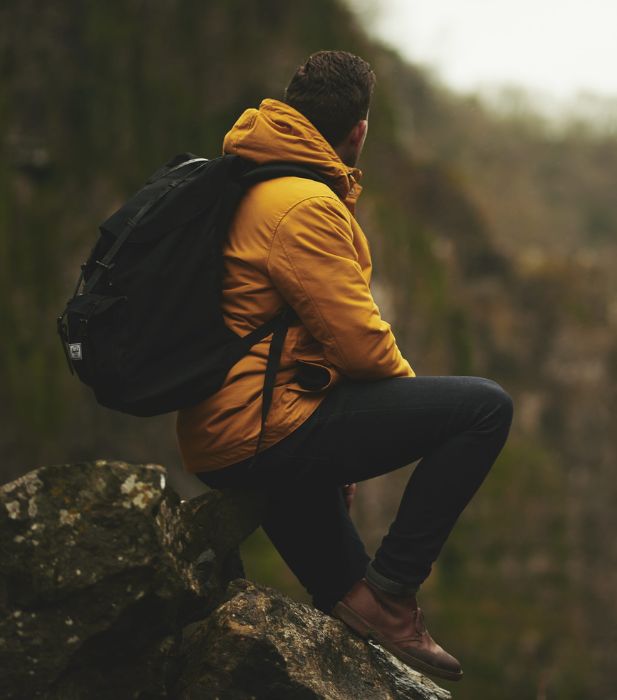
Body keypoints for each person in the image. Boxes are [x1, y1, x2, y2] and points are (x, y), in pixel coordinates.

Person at [176, 50, 513, 682]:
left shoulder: (250, 179)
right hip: (260, 430)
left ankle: (374, 609)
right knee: (484, 408)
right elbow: (360, 344)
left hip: (232, 430)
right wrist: (396, 420)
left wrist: (344, 444)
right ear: (358, 132)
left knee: (350, 608)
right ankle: (396, 590)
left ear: (290, 110)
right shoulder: (302, 204)